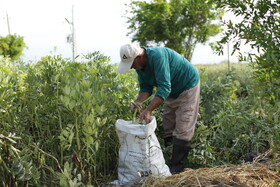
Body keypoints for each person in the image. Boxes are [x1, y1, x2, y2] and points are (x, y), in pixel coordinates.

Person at [117, 43, 200, 174]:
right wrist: (138, 101)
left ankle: (177, 170)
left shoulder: (158, 56)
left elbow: (164, 88)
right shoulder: (140, 66)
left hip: (187, 85)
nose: (132, 68)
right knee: (168, 124)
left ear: (139, 57)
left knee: (183, 127)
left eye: (131, 64)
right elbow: (146, 88)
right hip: (171, 90)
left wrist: (148, 110)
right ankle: (167, 159)